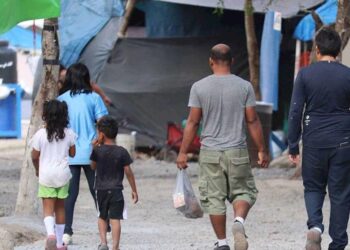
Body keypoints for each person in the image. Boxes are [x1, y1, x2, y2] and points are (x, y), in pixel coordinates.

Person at [176, 44, 269, 250]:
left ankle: (222, 243)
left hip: (210, 152)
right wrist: (262, 149)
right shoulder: (244, 87)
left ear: (211, 61)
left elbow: (192, 122)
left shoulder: (199, 87)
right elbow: (252, 120)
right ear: (232, 61)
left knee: (214, 198)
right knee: (243, 191)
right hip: (237, 150)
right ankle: (239, 222)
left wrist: (182, 152)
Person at [288, 27, 350, 250]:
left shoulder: (305, 74)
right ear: (338, 49)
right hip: (343, 140)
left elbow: (296, 111)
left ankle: (315, 227)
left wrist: (293, 144)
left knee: (313, 187)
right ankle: (338, 243)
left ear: (316, 49)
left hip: (313, 140)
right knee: (341, 193)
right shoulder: (347, 74)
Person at [57, 63, 109, 245]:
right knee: (98, 190)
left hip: (69, 152)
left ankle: (67, 232)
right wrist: (100, 140)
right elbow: (104, 122)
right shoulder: (94, 98)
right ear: (86, 78)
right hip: (92, 152)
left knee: (70, 193)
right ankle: (106, 226)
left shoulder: (62, 99)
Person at [31, 100, 76, 250]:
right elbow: (73, 154)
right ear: (64, 116)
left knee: (48, 208)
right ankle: (59, 243)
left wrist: (37, 169)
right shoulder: (69, 133)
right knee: (60, 208)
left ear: (45, 115)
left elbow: (34, 156)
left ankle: (50, 235)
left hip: (46, 174)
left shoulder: (40, 134)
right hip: (63, 175)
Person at [91, 115, 138, 250]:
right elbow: (128, 171)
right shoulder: (121, 151)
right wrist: (134, 190)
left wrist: (94, 148)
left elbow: (93, 167)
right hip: (117, 190)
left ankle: (103, 242)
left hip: (100, 190)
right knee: (115, 218)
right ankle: (115, 247)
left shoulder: (97, 151)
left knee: (102, 216)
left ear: (101, 134)